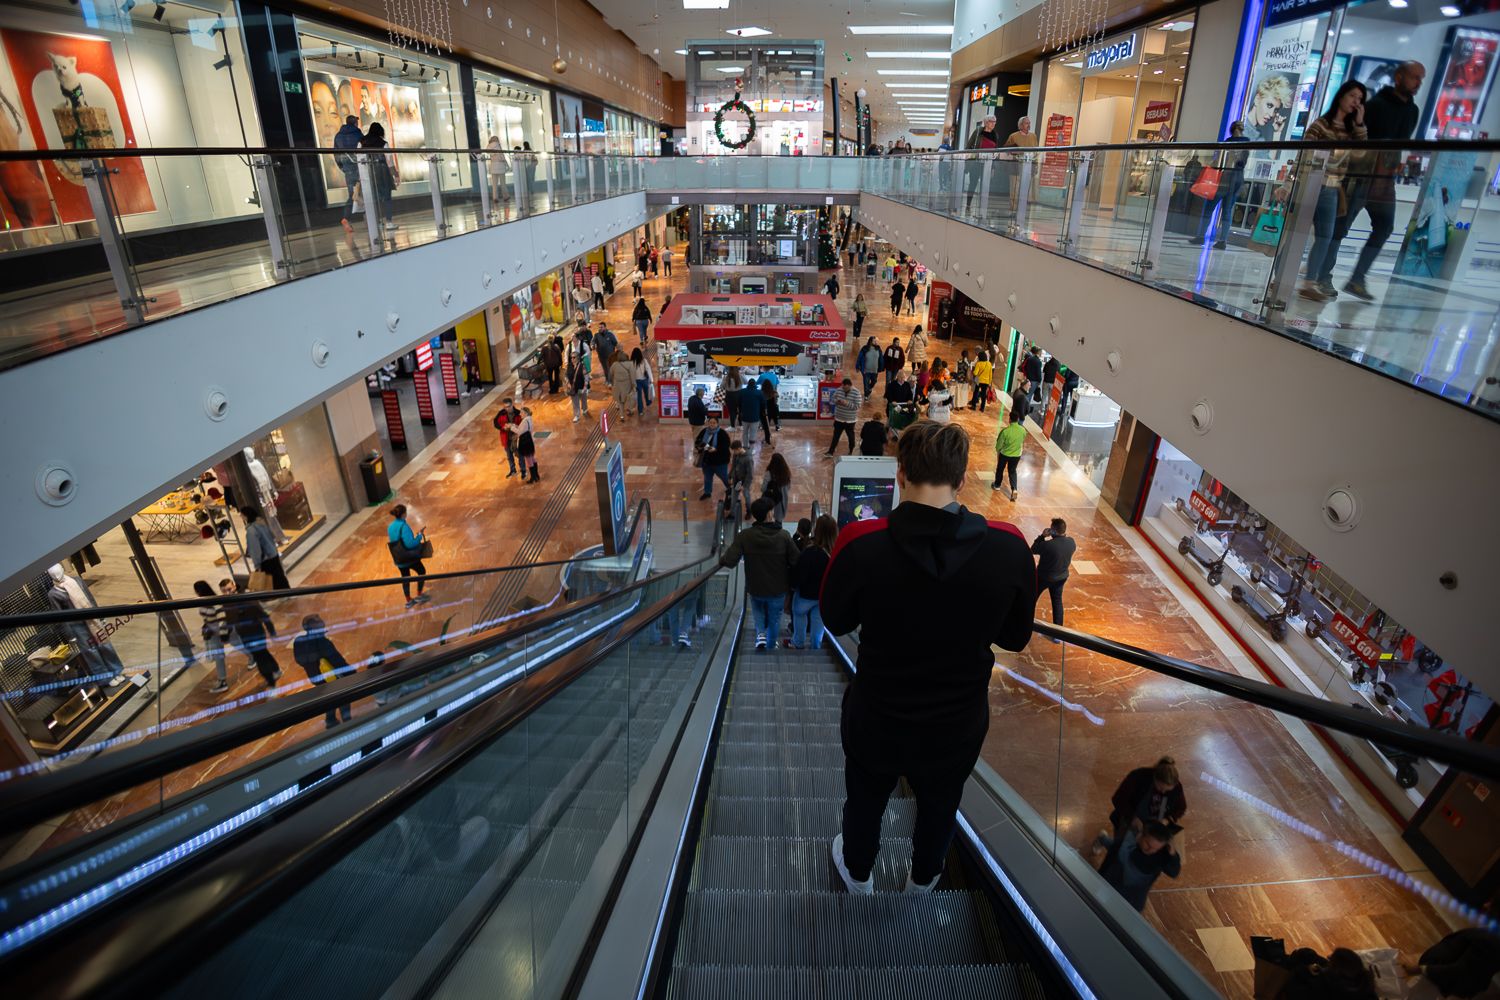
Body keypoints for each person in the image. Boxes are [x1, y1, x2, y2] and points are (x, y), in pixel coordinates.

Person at [821, 421, 1035, 894]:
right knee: (941, 803)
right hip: (956, 722)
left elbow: (834, 620)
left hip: (877, 714)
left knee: (865, 799)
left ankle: (858, 873)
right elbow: (1017, 637)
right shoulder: (1008, 547)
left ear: (900, 475)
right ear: (961, 481)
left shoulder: (861, 543)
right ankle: (924, 879)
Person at [1335, 61, 1425, 302]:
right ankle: (1322, 275)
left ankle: (1357, 278)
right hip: (1362, 177)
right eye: (1414, 77)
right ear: (1399, 77)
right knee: (1341, 227)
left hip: (1385, 180)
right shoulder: (1375, 106)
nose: (1418, 83)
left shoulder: (1412, 111)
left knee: (1384, 227)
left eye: (1421, 79)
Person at [1298, 81, 1368, 302]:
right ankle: (1281, 277)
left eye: (1360, 99)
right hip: (1310, 184)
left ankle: (1310, 282)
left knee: (1325, 237)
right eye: (1353, 96)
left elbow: (1360, 155)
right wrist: (1292, 182)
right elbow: (1304, 154)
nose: (1356, 102)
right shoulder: (1321, 125)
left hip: (1332, 187)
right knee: (1296, 234)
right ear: (1341, 96)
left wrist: (1359, 124)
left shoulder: (1350, 132)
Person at [719, 496, 800, 651]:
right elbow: (796, 560)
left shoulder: (745, 536)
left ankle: (760, 634)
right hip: (778, 589)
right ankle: (770, 645)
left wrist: (721, 560)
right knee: (775, 619)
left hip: (755, 587)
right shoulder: (783, 536)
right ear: (769, 514)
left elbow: (729, 560)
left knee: (758, 613)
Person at [1189, 121, 1251, 249]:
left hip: (1223, 179)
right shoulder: (1247, 144)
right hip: (1237, 179)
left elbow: (1217, 162)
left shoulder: (1226, 143)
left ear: (1232, 129)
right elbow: (1242, 163)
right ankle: (1223, 241)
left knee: (1209, 208)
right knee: (1227, 211)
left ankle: (1201, 236)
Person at [1097, 821, 1182, 912]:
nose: (1150, 850)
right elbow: (1111, 858)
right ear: (1140, 835)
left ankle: (1102, 838)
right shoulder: (1128, 841)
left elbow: (1174, 872)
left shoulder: (1161, 856)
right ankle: (1102, 838)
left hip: (1132, 897)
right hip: (1111, 883)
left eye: (1156, 849)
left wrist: (1173, 854)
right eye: (1148, 844)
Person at [292, 614, 354, 728]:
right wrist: (352, 673)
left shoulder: (298, 641)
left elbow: (299, 660)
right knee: (343, 697)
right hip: (333, 678)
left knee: (328, 698)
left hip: (316, 678)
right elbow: (337, 661)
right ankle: (347, 721)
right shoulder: (324, 643)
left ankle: (330, 721)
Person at [221, 578, 281, 687]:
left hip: (256, 632)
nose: (227, 593)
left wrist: (271, 631)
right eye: (224, 591)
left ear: (234, 586)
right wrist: (225, 636)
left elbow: (263, 616)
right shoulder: (227, 604)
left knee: (259, 657)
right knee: (262, 653)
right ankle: (276, 670)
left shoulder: (247, 599)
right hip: (244, 634)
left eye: (229, 589)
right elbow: (229, 620)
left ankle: (271, 682)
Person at [791, 514, 837, 650]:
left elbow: (800, 573)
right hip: (824, 596)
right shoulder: (835, 552)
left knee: (799, 614)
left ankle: (798, 641)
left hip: (806, 594)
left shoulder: (810, 551)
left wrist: (793, 586)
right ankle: (815, 645)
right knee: (818, 621)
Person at [1032, 518, 1076, 627]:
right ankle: (1058, 631)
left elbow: (1033, 549)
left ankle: (1025, 621)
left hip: (1043, 577)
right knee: (1057, 602)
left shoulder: (1048, 545)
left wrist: (1042, 536)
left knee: (1032, 597)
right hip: (1061, 577)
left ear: (1054, 531)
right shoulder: (1072, 542)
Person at [387, 504, 430, 606]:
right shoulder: (404, 526)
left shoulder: (391, 526)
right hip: (409, 558)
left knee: (405, 578)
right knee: (421, 571)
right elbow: (410, 544)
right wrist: (419, 536)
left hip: (399, 558)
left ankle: (408, 600)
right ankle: (419, 595)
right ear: (403, 514)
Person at [194, 579, 231, 694]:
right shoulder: (203, 601)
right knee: (218, 656)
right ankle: (222, 680)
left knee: (238, 645)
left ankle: (223, 682)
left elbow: (222, 619)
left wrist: (223, 635)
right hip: (213, 633)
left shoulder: (215, 602)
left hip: (220, 632)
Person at [359, 122, 398, 234]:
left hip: (368, 172)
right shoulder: (383, 143)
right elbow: (389, 160)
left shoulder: (361, 142)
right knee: (387, 197)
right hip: (382, 171)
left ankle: (377, 222)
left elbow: (359, 158)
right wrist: (395, 173)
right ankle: (389, 222)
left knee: (374, 198)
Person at [243, 509, 289, 590]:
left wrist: (257, 563)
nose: (241, 516)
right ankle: (287, 592)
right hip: (273, 553)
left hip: (265, 558)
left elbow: (255, 548)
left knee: (270, 579)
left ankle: (277, 596)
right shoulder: (262, 524)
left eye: (242, 515)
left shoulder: (251, 530)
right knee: (279, 575)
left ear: (246, 516)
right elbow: (272, 536)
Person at [333, 115, 364, 235]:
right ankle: (371, 219)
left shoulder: (338, 136)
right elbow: (363, 150)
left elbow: (336, 154)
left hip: (347, 168)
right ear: (355, 123)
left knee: (353, 193)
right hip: (359, 166)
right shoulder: (358, 134)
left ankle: (347, 219)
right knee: (363, 192)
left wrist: (342, 167)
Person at [963, 114, 1000, 213]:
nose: (993, 124)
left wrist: (993, 167)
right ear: (986, 122)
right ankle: (968, 204)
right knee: (973, 184)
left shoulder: (995, 135)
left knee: (985, 185)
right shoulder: (978, 131)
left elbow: (995, 151)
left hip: (987, 164)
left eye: (994, 122)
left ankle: (982, 206)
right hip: (976, 163)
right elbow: (969, 145)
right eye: (991, 121)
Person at [696, 415, 731, 501]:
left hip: (719, 462)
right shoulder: (704, 431)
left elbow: (726, 446)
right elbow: (698, 441)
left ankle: (731, 489)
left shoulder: (722, 433)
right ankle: (707, 493)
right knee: (707, 478)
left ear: (717, 424)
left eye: (714, 423)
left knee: (724, 477)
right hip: (707, 461)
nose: (712, 424)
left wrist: (716, 449)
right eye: (710, 423)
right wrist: (699, 447)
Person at [993, 409, 1025, 500]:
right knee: (1012, 471)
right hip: (1016, 455)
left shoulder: (1005, 431)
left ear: (1009, 419)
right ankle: (1014, 489)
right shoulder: (1023, 430)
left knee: (1000, 469)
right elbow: (1022, 441)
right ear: (1018, 419)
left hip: (1005, 454)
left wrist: (998, 451)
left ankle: (997, 485)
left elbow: (999, 445)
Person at [826, 378, 863, 455]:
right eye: (843, 387)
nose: (844, 389)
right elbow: (832, 399)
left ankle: (851, 451)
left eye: (845, 388)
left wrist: (846, 403)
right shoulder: (839, 390)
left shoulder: (856, 393)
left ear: (850, 386)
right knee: (835, 436)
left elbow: (857, 406)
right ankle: (830, 452)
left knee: (851, 437)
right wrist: (837, 401)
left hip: (850, 420)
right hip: (839, 419)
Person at [494, 397, 522, 477]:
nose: (507, 408)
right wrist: (503, 427)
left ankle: (523, 470)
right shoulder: (501, 413)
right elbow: (495, 423)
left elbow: (522, 425)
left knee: (519, 455)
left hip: (515, 439)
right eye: (505, 407)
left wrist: (515, 428)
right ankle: (512, 470)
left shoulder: (518, 413)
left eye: (509, 406)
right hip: (506, 438)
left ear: (512, 405)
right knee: (509, 456)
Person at [762, 451, 793, 524]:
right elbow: (788, 487)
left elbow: (763, 488)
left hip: (769, 501)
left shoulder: (769, 473)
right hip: (781, 502)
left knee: (767, 521)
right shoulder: (786, 474)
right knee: (778, 522)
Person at [726, 438, 753, 520]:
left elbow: (750, 474)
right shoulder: (736, 455)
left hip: (744, 482)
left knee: (746, 496)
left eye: (734, 451)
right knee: (734, 497)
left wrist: (744, 486)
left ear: (739, 448)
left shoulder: (748, 459)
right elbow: (733, 466)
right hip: (737, 480)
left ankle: (749, 511)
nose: (733, 453)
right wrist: (730, 476)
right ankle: (732, 514)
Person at [484, 135, 510, 212]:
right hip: (500, 165)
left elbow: (488, 153)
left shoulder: (488, 146)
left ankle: (495, 198)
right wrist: (506, 163)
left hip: (493, 166)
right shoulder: (498, 145)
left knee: (494, 184)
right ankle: (505, 196)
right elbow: (501, 155)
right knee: (503, 183)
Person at [738, 372, 765, 447]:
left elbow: (739, 403)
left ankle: (745, 446)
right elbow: (763, 404)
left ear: (748, 384)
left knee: (745, 433)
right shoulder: (759, 393)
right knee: (753, 433)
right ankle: (751, 448)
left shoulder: (742, 392)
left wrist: (740, 411)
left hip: (744, 416)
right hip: (755, 417)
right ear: (755, 384)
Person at [566, 343, 589, 422]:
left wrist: (585, 387)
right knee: (575, 402)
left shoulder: (582, 366)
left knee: (583, 399)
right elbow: (566, 376)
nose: (572, 359)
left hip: (581, 386)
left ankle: (585, 408)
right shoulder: (569, 366)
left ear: (578, 358)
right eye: (571, 358)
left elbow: (586, 377)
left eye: (574, 357)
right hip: (573, 387)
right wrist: (568, 383)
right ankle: (577, 415)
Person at [631, 346, 653, 418]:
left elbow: (631, 373)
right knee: (646, 392)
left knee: (639, 396)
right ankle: (647, 402)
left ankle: (640, 411)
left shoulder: (631, 363)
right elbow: (648, 370)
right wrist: (651, 379)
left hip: (637, 381)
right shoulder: (644, 361)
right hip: (644, 380)